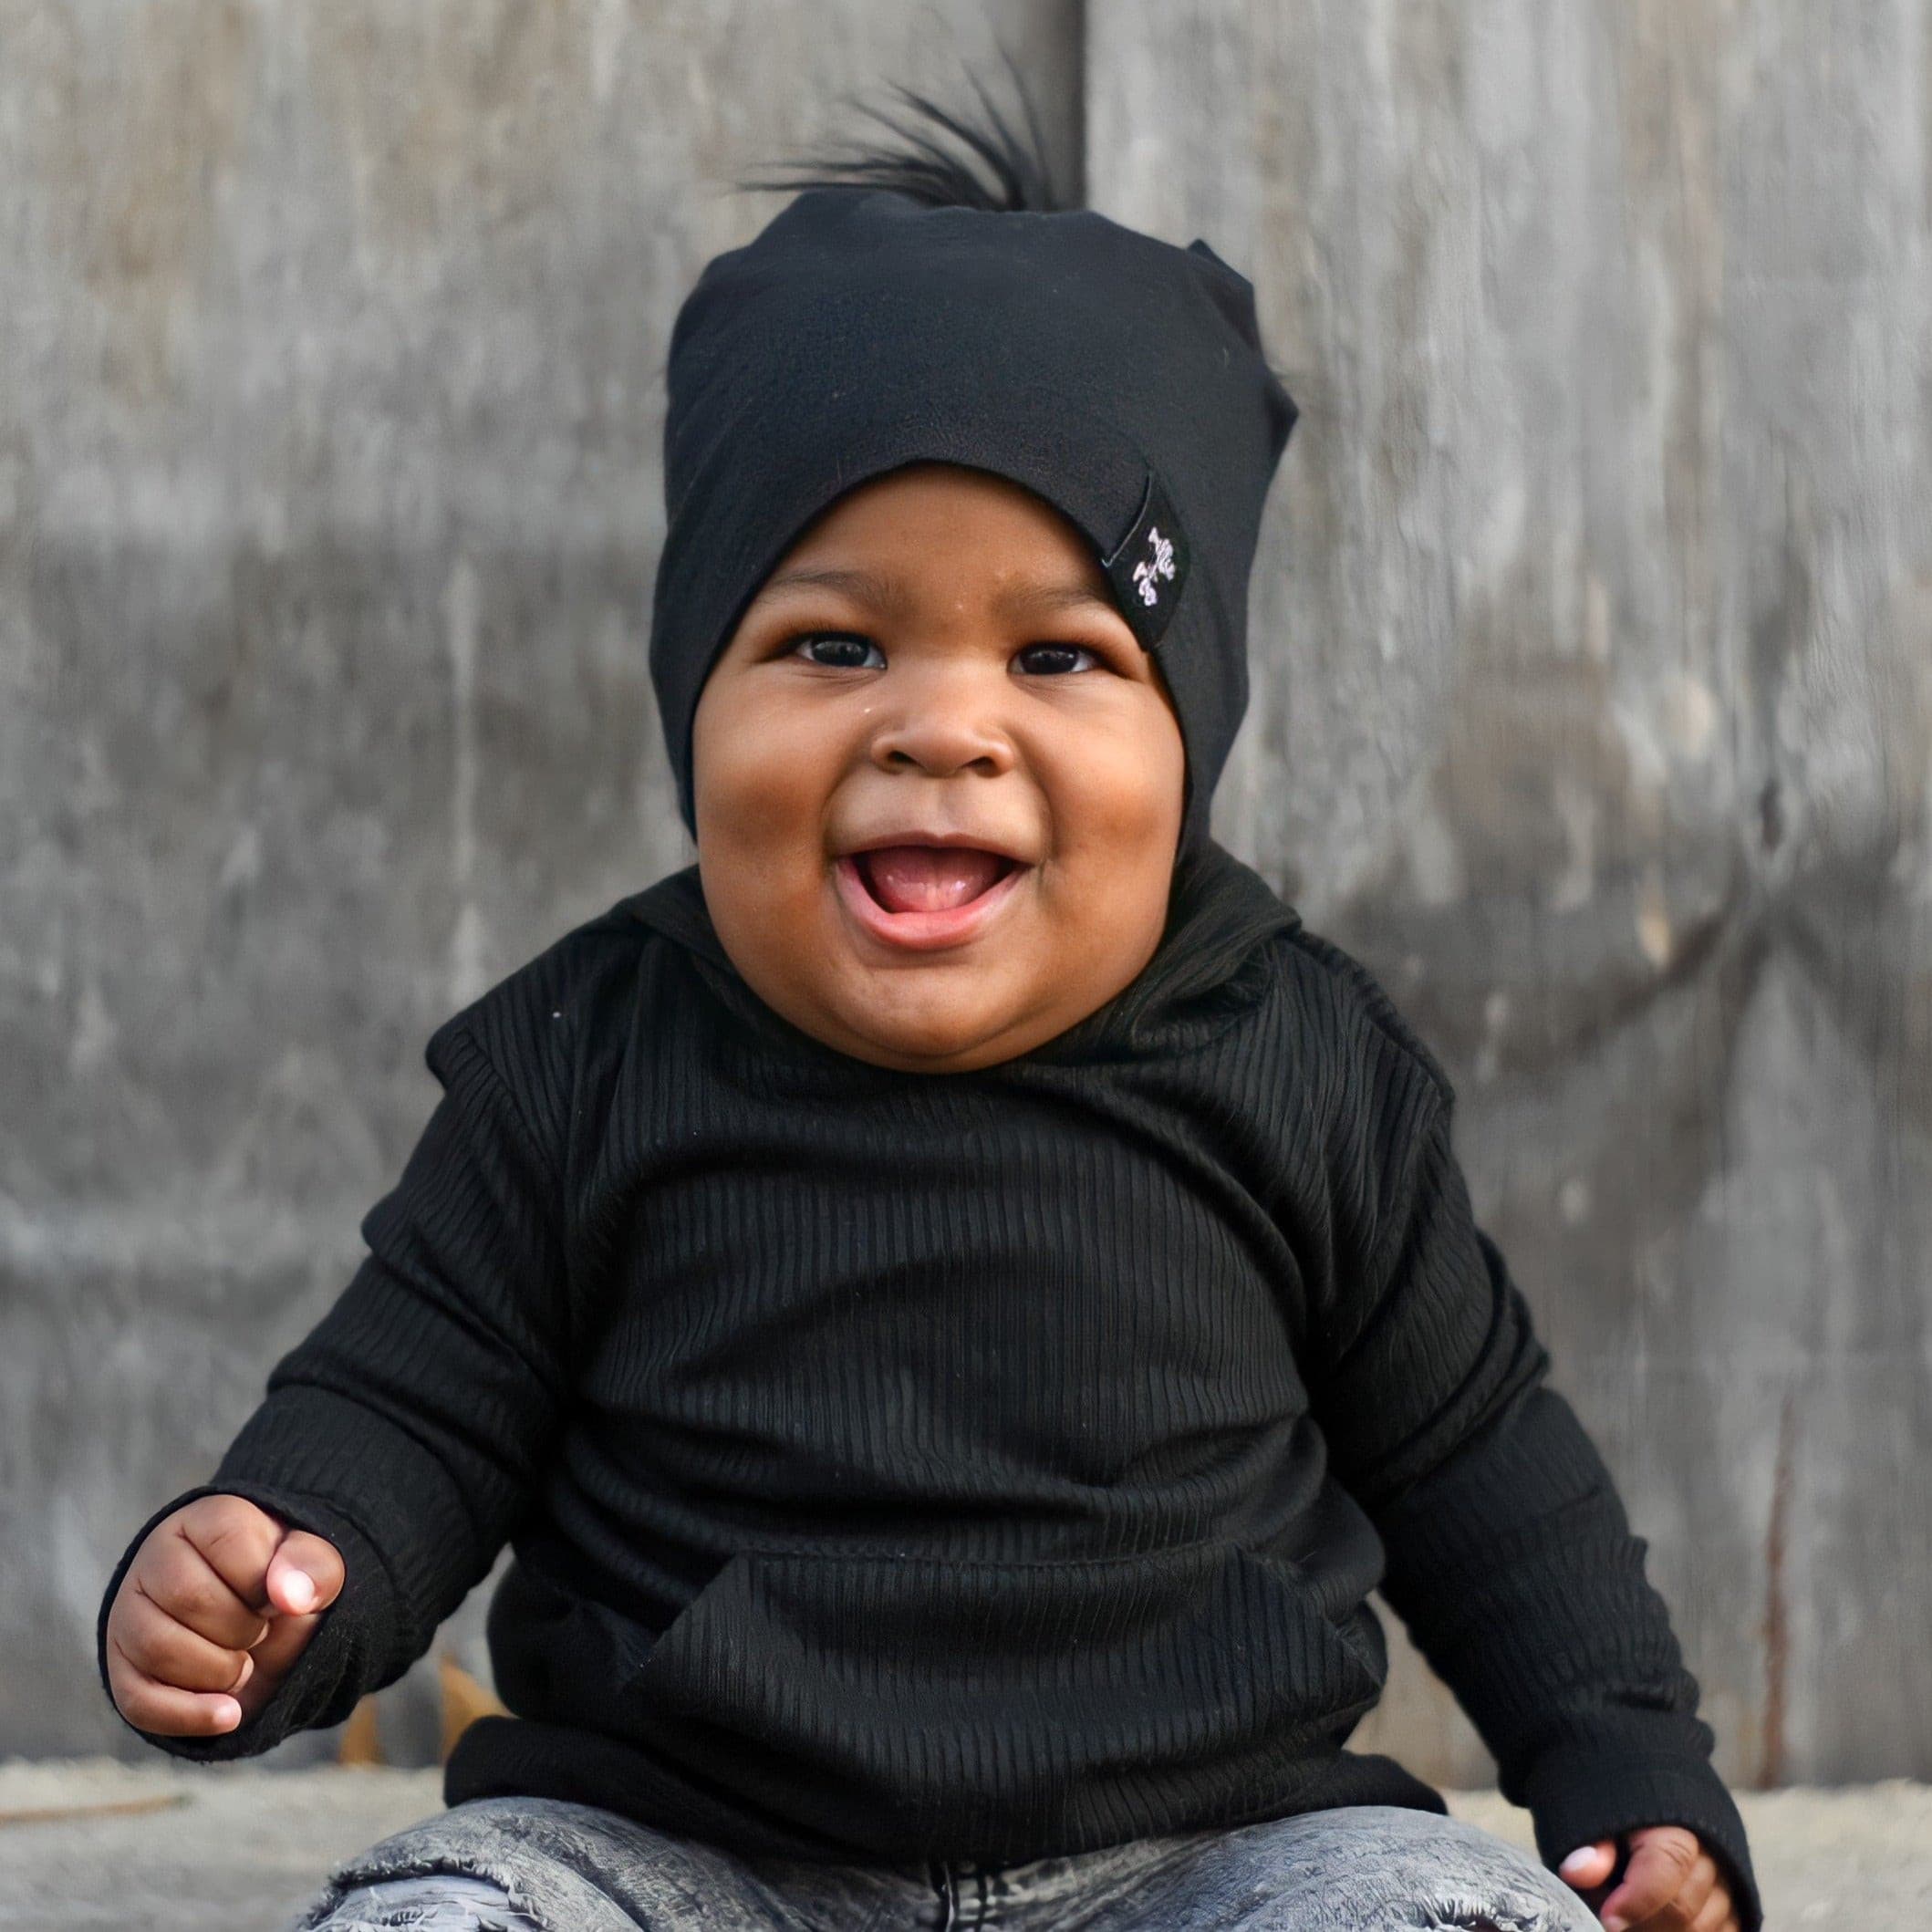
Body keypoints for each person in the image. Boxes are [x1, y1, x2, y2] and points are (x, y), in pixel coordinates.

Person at [97, 73, 1759, 1932]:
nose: (944, 724)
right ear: (696, 701)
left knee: (1428, 1912)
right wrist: (277, 1573)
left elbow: (1477, 1461)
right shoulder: (585, 1060)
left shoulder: (1300, 1061)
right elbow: (413, 1404)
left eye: (1057, 653)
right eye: (835, 643)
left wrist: (1630, 1770)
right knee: (456, 1910)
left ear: (1189, 742)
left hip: (1206, 1849)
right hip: (696, 1854)